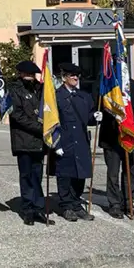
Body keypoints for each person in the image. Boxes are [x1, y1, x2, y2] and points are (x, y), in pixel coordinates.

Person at [7, 60, 53, 226]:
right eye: (27, 74)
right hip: (23, 139)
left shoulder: (40, 89)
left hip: (39, 142)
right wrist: (40, 127)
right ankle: (27, 210)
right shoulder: (14, 90)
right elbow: (17, 116)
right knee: (26, 176)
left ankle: (39, 208)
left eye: (32, 75)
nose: (30, 77)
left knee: (38, 175)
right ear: (20, 74)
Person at [52, 62, 99, 221]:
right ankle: (66, 205)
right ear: (64, 77)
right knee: (65, 174)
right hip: (64, 141)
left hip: (81, 140)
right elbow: (51, 121)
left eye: (77, 75)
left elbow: (89, 116)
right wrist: (55, 143)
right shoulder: (56, 96)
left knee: (80, 174)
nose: (75, 78)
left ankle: (76, 203)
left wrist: (95, 117)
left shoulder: (83, 96)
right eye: (72, 75)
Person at [100, 68, 134, 219]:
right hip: (111, 136)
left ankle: (128, 202)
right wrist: (97, 115)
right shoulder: (106, 84)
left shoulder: (131, 84)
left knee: (130, 172)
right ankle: (114, 204)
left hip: (129, 134)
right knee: (113, 173)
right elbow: (97, 105)